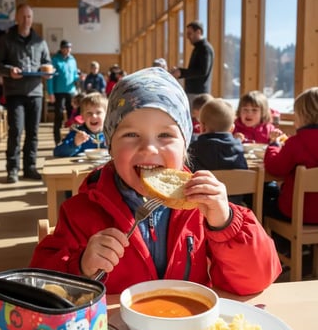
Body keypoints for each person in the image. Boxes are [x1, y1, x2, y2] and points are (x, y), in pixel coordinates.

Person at [30, 67, 281, 295]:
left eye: (165, 134)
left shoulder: (205, 209)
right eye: (130, 134)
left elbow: (256, 280)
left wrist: (225, 223)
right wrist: (81, 266)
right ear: (111, 146)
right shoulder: (80, 211)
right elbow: (43, 285)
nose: (149, 148)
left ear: (185, 146)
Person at [0, 3, 52, 183]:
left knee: (33, 132)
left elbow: (47, 62)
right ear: (16, 18)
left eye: (29, 17)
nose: (27, 20)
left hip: (35, 92)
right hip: (14, 92)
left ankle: (30, 167)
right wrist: (9, 70)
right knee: (16, 130)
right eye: (23, 16)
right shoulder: (5, 40)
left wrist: (48, 71)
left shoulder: (40, 41)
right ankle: (13, 168)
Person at [264, 87, 318, 224]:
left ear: (303, 115)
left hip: (299, 213)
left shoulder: (297, 142)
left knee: (260, 199)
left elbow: (275, 168)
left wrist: (274, 146)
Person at [188, 98, 247, 205]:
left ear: (202, 127)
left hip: (200, 207)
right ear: (232, 128)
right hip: (234, 207)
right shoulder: (239, 148)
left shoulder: (194, 149)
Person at [170, 21, 214, 108]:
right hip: (195, 93)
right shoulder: (199, 48)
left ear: (198, 32)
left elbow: (202, 71)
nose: (187, 37)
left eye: (190, 33)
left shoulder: (205, 48)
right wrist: (181, 72)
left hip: (198, 95)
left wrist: (181, 73)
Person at [53, 93, 107, 157]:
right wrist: (75, 143)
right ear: (82, 116)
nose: (94, 116)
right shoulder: (77, 133)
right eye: (89, 113)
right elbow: (57, 152)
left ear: (106, 115)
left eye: (98, 112)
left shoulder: (112, 134)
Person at [47, 40, 79, 145]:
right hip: (58, 91)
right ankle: (57, 140)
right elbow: (50, 78)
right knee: (59, 115)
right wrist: (50, 92)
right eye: (65, 48)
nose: (68, 50)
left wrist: (79, 78)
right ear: (61, 49)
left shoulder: (72, 60)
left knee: (72, 115)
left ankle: (72, 137)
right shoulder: (55, 60)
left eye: (69, 48)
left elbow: (74, 75)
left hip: (71, 91)